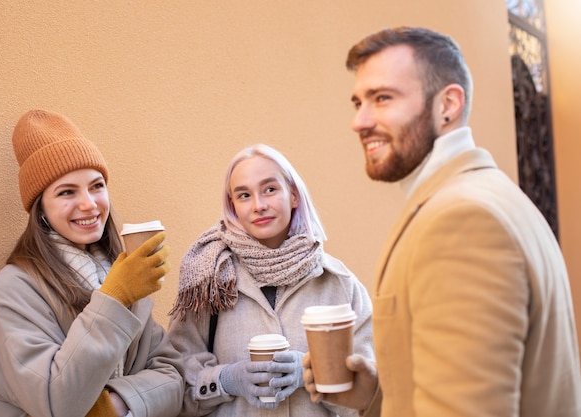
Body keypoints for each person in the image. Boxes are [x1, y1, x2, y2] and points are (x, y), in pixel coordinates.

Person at [302, 26, 581, 417]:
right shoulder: (487, 193)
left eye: (382, 98)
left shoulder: (461, 223)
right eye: (358, 102)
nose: (360, 121)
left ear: (448, 104)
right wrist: (375, 397)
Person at [0, 109, 184, 417]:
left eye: (96, 185)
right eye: (66, 192)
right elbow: (57, 402)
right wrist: (114, 298)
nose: (88, 204)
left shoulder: (122, 271)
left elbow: (173, 377)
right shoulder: (14, 289)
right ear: (41, 211)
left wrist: (111, 407)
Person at [166, 144, 374, 416]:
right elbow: (173, 381)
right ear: (233, 206)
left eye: (270, 189)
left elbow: (370, 397)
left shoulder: (340, 284)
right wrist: (227, 380)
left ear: (294, 195)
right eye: (244, 195)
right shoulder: (209, 280)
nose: (258, 205)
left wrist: (314, 374)